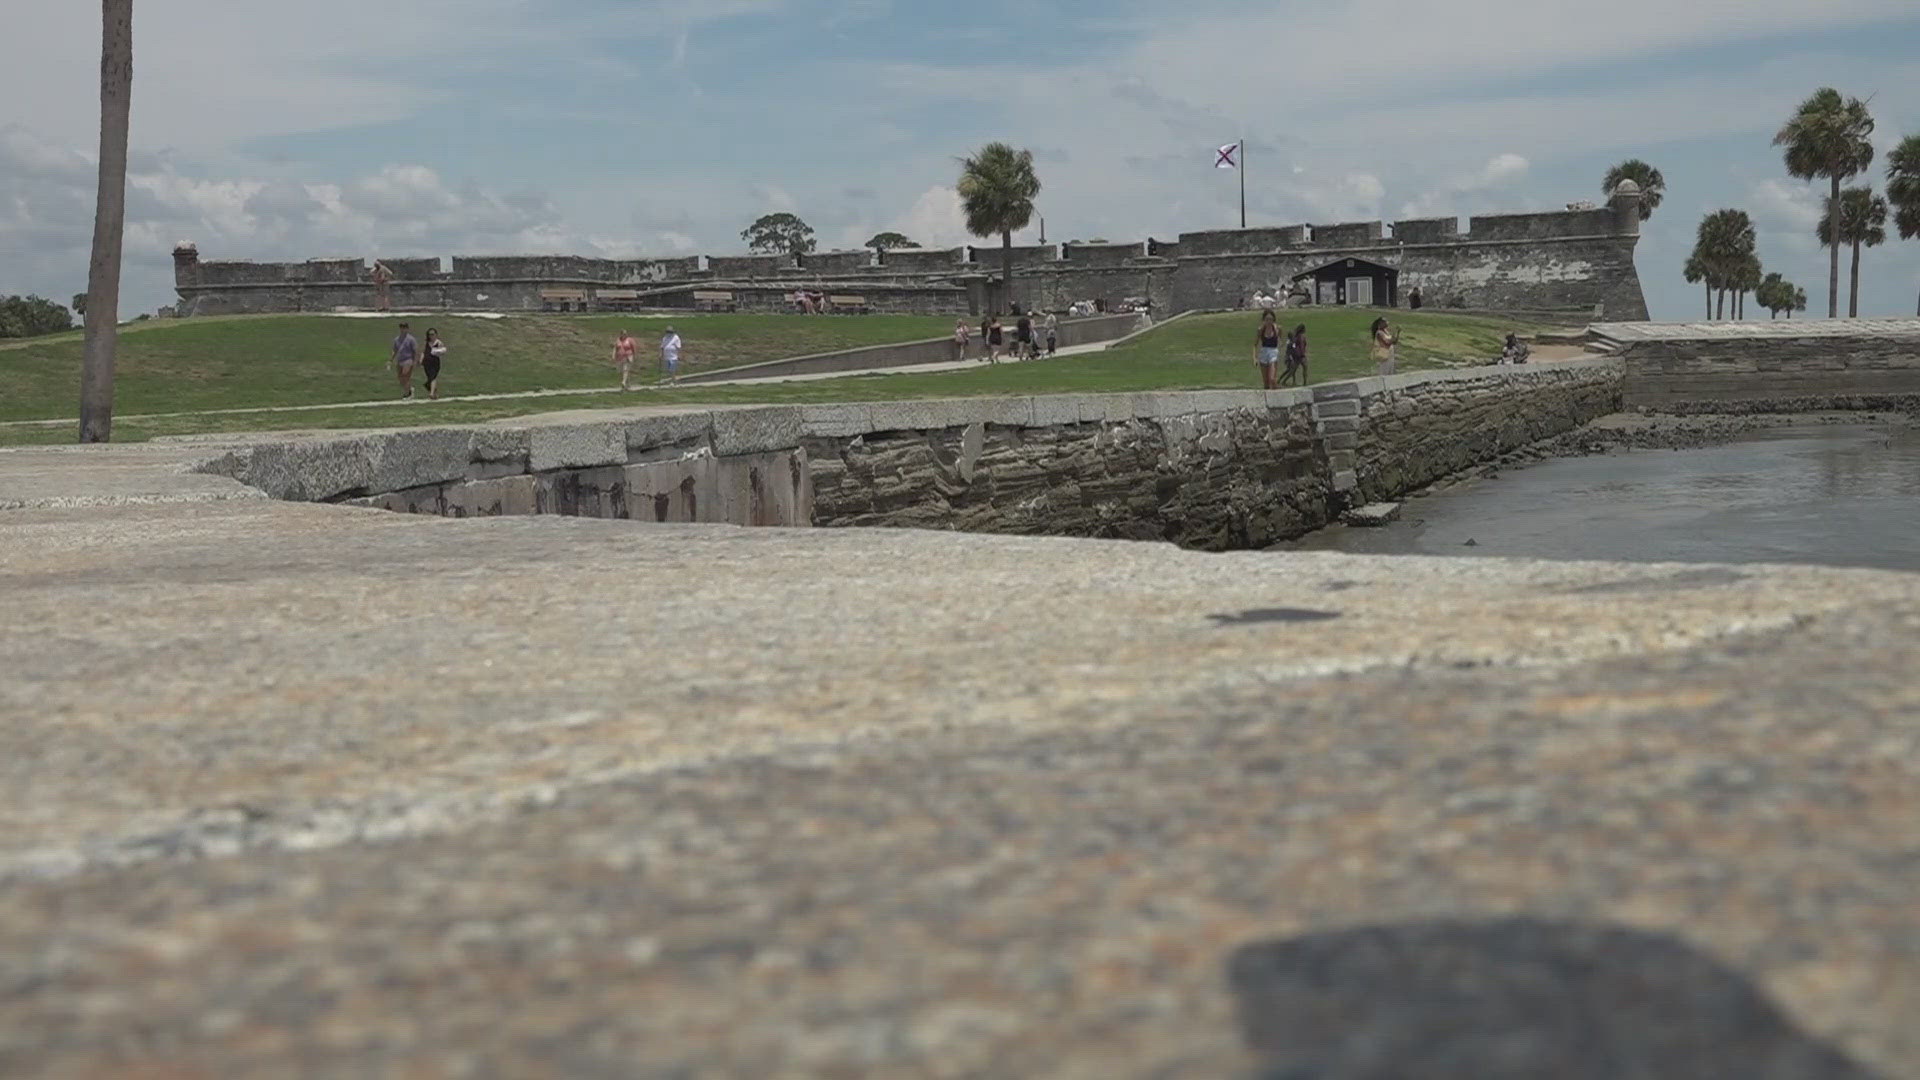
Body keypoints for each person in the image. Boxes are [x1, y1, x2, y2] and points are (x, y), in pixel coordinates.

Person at [390, 321, 419, 399]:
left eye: (404, 328)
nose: (402, 329)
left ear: (407, 329)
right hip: (400, 360)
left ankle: (408, 394)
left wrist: (415, 361)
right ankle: (409, 389)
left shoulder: (411, 339)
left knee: (405, 376)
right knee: (400, 377)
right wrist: (391, 359)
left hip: (408, 360)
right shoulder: (397, 339)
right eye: (401, 328)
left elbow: (415, 351)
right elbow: (395, 350)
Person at [1254, 310, 1282, 390]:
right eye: (1267, 319)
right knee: (1266, 382)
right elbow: (1255, 344)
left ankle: (1277, 394)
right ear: (1264, 320)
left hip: (1273, 352)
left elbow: (1280, 338)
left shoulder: (1277, 329)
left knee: (1272, 379)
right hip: (1263, 352)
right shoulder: (1261, 330)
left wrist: (1279, 343)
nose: (1269, 322)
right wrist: (1255, 358)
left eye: (1271, 319)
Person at [422, 327, 447, 400]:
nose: (431, 336)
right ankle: (434, 393)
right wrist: (421, 360)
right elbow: (424, 352)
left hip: (434, 363)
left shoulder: (438, 343)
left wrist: (436, 351)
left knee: (433, 377)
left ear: (436, 335)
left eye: (433, 334)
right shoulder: (427, 343)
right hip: (426, 363)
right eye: (430, 334)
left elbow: (443, 350)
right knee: (430, 378)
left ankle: (432, 393)